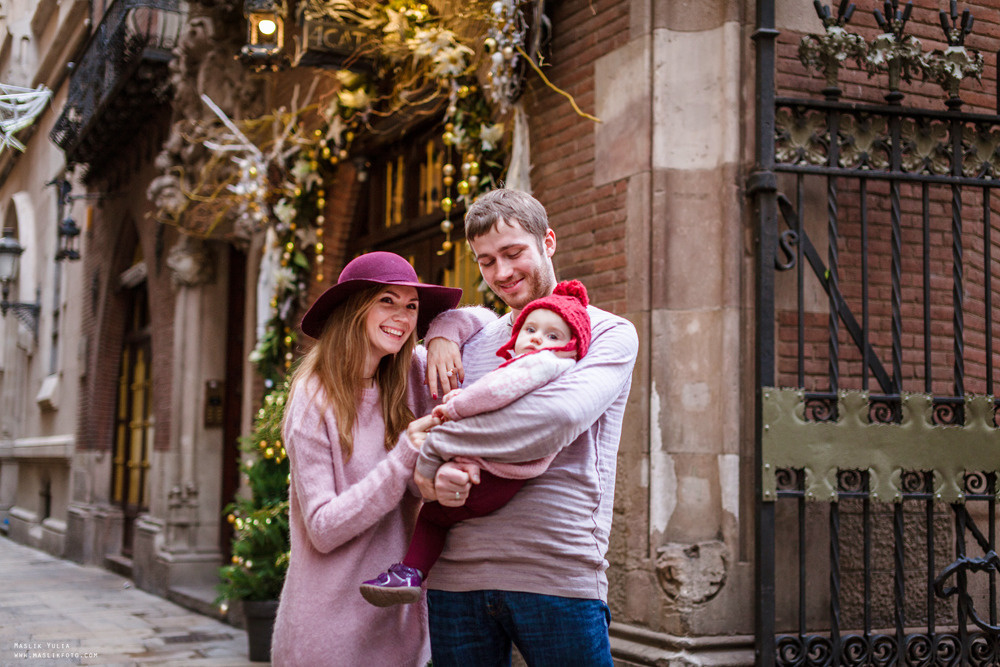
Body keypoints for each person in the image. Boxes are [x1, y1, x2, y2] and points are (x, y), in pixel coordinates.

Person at [413, 188, 640, 665]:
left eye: (514, 253)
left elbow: (553, 421)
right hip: (455, 577)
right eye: (486, 261)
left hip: (556, 572)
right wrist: (440, 331)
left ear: (548, 242)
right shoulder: (472, 341)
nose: (502, 273)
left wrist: (435, 440)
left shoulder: (606, 333)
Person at [269, 251, 492, 667]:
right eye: (387, 301)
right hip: (327, 633)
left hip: (398, 630)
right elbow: (322, 528)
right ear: (354, 309)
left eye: (412, 306)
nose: (403, 318)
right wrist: (404, 455)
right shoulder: (312, 397)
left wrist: (443, 331)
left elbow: (492, 324)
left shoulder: (413, 371)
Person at [359, 280, 592, 607]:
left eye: (553, 336)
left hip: (493, 470)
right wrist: (443, 331)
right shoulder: (552, 368)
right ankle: (409, 571)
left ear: (571, 347)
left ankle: (410, 571)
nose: (539, 338)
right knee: (437, 512)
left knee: (432, 514)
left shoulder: (539, 364)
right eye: (531, 329)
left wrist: (455, 405)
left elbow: (494, 392)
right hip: (500, 471)